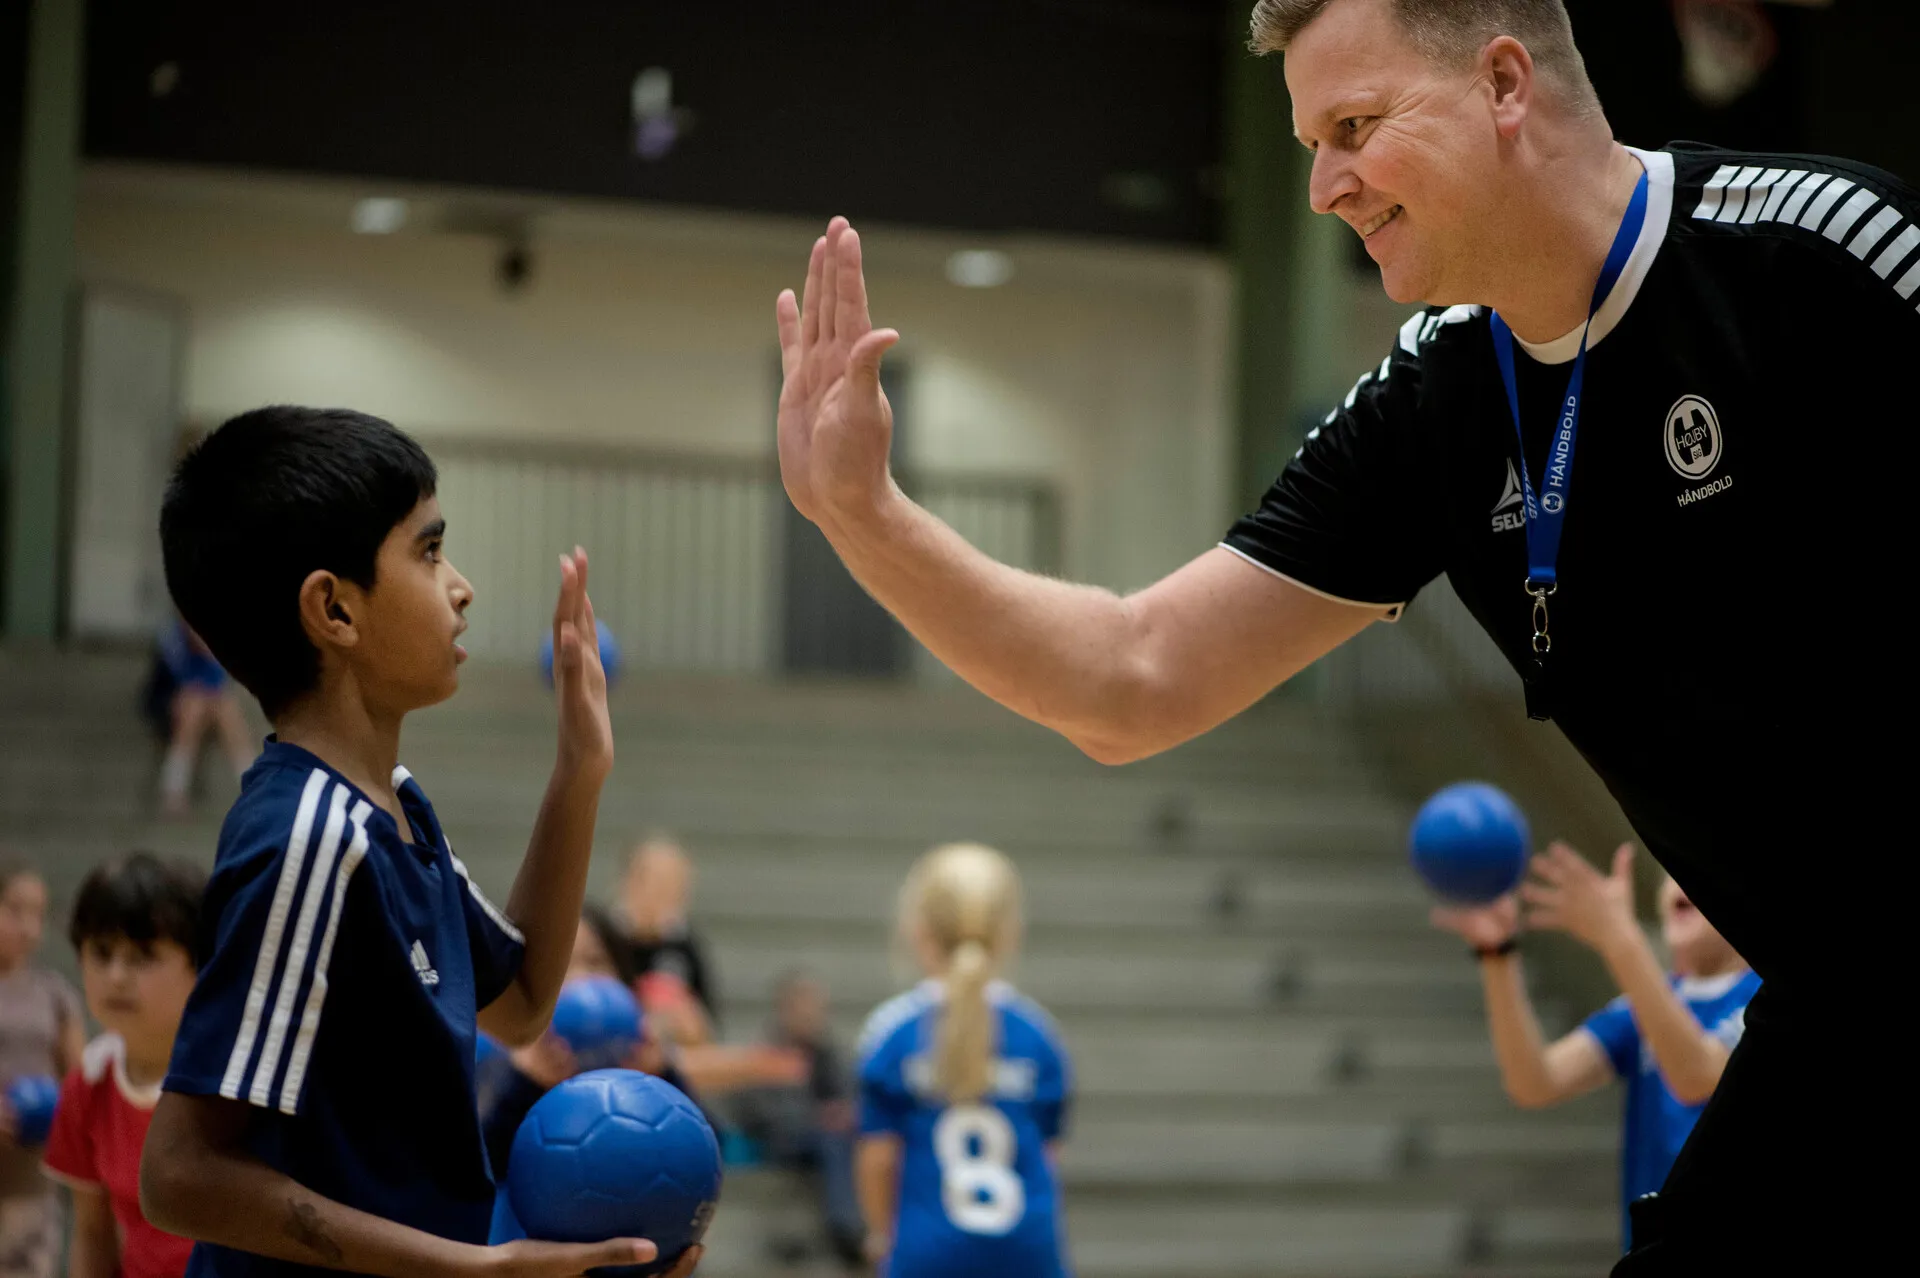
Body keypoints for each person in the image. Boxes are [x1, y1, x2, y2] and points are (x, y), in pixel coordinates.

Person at [770, 0, 1915, 1265]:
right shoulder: (1437, 398)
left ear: (1502, 83)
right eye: (1314, 141)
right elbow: (1132, 680)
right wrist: (862, 516)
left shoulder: (1831, 258)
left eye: (1355, 127)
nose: (1323, 188)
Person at [139, 406, 699, 1278]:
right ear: (335, 610)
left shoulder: (393, 808)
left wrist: (580, 771)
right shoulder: (310, 842)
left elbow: (518, 1005)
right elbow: (179, 1175)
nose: (461, 585)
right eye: (430, 551)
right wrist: (462, 1267)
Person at [1431, 843, 1757, 1249]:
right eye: (1673, 869)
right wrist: (1498, 954)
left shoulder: (1760, 998)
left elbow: (1695, 1076)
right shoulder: (1648, 1005)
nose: (1679, 880)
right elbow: (1534, 1082)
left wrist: (1619, 939)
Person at [855, 844, 1072, 1278]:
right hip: (1029, 1256)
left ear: (917, 930)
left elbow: (878, 1158)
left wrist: (882, 1238)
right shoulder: (1039, 1035)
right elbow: (1047, 1161)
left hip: (926, 1254)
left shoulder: (893, 1034)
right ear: (1010, 933)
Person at [42, 853, 209, 1278]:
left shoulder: (238, 1082)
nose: (116, 975)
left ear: (202, 965)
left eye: (142, 955)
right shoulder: (86, 1087)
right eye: (101, 952)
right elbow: (92, 1234)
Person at [730, 971, 864, 1269]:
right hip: (780, 1139)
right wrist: (820, 1118)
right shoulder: (765, 1053)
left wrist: (842, 1113)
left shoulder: (828, 1052)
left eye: (817, 1009)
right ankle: (847, 1229)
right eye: (805, 1008)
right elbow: (763, 1113)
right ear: (786, 1009)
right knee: (834, 1140)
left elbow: (850, 1095)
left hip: (824, 1137)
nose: (812, 1017)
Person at [0, 862, 85, 1278]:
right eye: (15, 910)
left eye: (38, 914)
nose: (29, 927)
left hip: (31, 1194)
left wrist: (56, 1112)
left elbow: (80, 1087)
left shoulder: (54, 995)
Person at [154, 620, 257, 818]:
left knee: (227, 710)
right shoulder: (173, 639)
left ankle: (253, 788)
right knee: (193, 709)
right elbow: (167, 682)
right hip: (173, 700)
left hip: (210, 701)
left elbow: (217, 683)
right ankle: (173, 790)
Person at [617, 838, 717, 1041]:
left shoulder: (685, 946)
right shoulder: (603, 940)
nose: (672, 893)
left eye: (679, 884)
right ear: (631, 881)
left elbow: (707, 1027)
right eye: (661, 882)